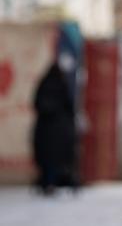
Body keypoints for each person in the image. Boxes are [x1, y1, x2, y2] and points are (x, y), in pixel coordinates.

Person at [32, 57, 78, 194]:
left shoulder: (45, 85)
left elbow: (37, 104)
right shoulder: (62, 86)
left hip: (46, 132)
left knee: (48, 160)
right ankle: (56, 182)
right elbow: (70, 108)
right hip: (59, 133)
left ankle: (49, 182)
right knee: (58, 160)